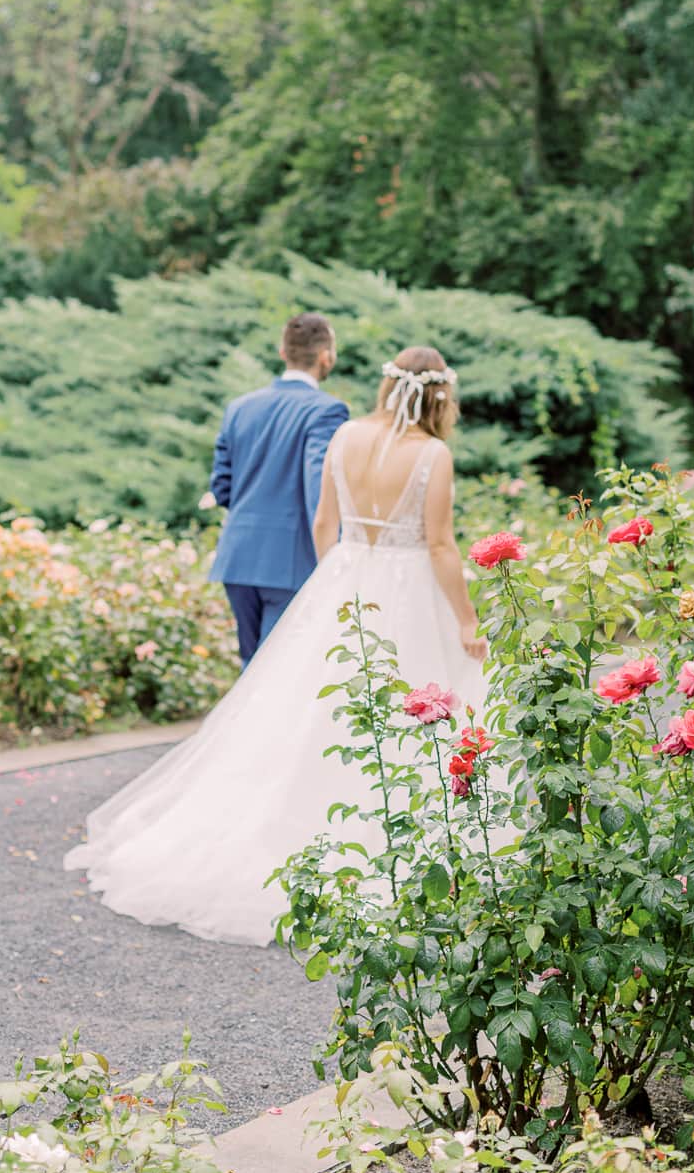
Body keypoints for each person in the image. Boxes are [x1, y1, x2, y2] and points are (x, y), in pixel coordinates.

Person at [64, 347, 491, 947]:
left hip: (344, 580)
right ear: (441, 396)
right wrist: (468, 621)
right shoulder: (432, 454)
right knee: (411, 711)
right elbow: (442, 546)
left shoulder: (344, 434)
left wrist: (339, 578)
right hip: (408, 587)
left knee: (307, 715)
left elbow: (324, 521)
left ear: (386, 385)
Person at [209, 312, 349, 668]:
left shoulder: (239, 408)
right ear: (326, 357)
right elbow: (320, 489)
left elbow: (221, 487)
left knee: (252, 668)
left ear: (282, 352)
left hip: (238, 558)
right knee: (276, 671)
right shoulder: (327, 411)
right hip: (288, 561)